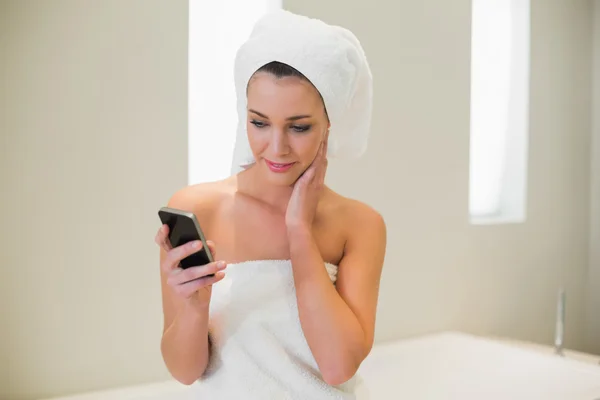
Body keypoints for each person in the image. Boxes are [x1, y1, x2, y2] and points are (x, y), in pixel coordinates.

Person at [154, 9, 386, 399]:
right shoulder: (199, 209)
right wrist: (195, 306)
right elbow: (185, 372)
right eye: (259, 122)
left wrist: (300, 232)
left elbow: (337, 367)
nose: (276, 148)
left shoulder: (359, 225)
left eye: (299, 127)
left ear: (329, 123)